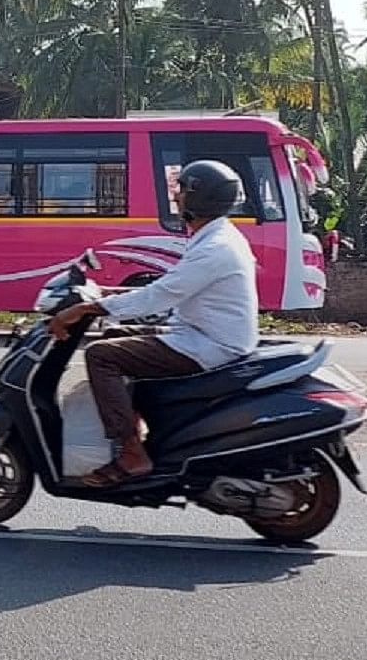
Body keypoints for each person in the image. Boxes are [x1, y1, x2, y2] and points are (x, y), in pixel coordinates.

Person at [47, 160, 257, 486]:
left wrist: (88, 309)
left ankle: (132, 453)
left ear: (201, 198)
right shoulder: (217, 236)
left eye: (183, 191)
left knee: (101, 356)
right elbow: (171, 288)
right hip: (200, 333)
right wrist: (105, 295)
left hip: (211, 344)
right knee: (116, 335)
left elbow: (160, 295)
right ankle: (140, 423)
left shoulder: (215, 247)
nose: (177, 198)